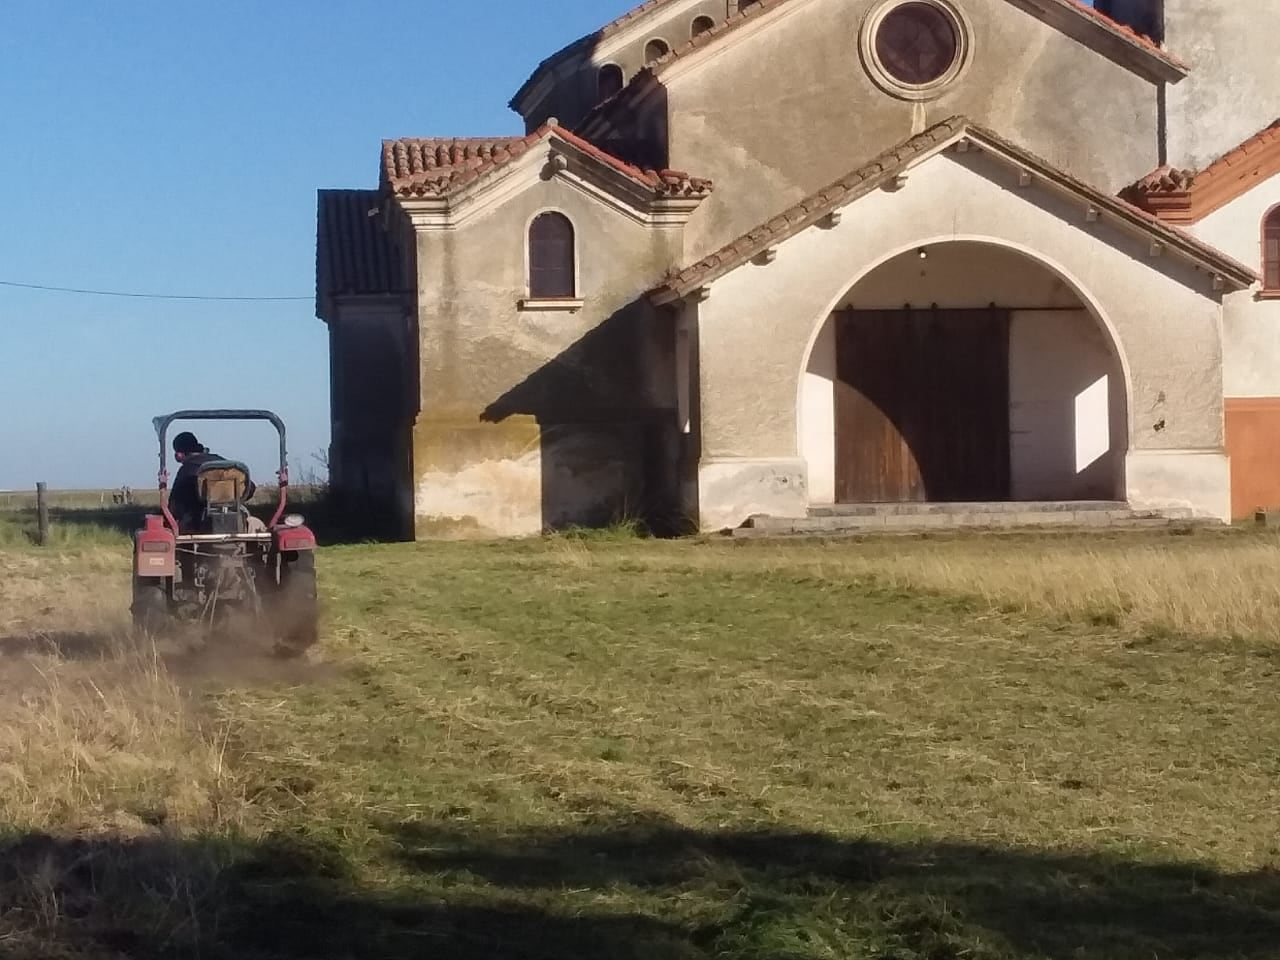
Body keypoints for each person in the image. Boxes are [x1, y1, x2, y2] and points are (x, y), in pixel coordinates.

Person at [169, 431, 256, 531]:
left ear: (179, 455)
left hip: (199, 524)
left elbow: (174, 507)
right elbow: (250, 488)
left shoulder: (186, 471)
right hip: (236, 518)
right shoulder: (222, 463)